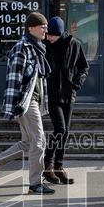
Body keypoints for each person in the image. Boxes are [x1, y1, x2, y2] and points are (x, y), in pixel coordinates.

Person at [0, 12, 55, 195]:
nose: (45, 29)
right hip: (25, 101)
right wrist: (14, 105)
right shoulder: (22, 48)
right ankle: (35, 184)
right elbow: (13, 79)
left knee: (27, 142)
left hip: (35, 101)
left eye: (46, 27)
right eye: (42, 26)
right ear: (31, 28)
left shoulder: (38, 48)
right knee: (39, 141)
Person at [43, 16, 89, 185]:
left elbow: (84, 66)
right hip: (52, 95)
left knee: (65, 132)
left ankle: (58, 167)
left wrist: (76, 84)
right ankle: (48, 165)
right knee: (60, 129)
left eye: (53, 35)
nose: (49, 37)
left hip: (69, 95)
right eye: (48, 34)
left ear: (61, 34)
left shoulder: (74, 44)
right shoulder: (45, 46)